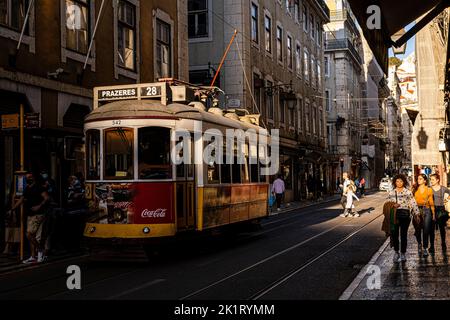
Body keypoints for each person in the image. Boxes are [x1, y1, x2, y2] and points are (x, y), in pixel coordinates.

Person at [10, 173, 50, 263]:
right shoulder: (27, 188)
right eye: (27, 178)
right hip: (30, 215)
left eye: (30, 177)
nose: (28, 179)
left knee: (29, 234)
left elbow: (47, 198)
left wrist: (39, 206)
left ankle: (40, 251)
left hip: (38, 214)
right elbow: (21, 199)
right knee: (31, 236)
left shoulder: (39, 187)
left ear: (33, 178)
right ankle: (33, 256)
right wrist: (12, 209)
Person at [387, 174, 420, 263]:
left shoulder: (407, 192)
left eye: (401, 181)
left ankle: (403, 253)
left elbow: (413, 202)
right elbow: (387, 204)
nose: (399, 183)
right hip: (394, 215)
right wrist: (393, 205)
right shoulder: (391, 192)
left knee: (403, 235)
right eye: (397, 181)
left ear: (404, 182)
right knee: (394, 234)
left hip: (405, 215)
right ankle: (396, 252)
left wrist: (417, 214)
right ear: (394, 182)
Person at [412, 174, 436, 257]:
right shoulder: (414, 190)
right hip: (416, 210)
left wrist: (433, 214)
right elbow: (412, 202)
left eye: (420, 179)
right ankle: (419, 244)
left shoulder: (429, 190)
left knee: (426, 230)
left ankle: (425, 248)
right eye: (418, 179)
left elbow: (431, 203)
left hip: (427, 210)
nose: (418, 180)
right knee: (418, 230)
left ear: (425, 181)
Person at [430, 173, 449, 252]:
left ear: (437, 180)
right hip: (432, 210)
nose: (431, 181)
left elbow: (449, 193)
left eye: (433, 179)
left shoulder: (443, 188)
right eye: (430, 179)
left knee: (442, 228)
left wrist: (446, 199)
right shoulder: (429, 189)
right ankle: (432, 246)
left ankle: (443, 243)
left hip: (441, 210)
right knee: (431, 229)